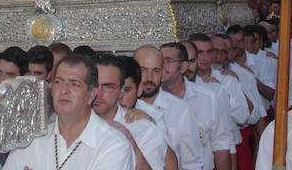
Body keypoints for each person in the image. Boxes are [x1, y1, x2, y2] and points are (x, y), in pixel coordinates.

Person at [3, 54, 134, 169]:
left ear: (91, 94)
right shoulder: (31, 138)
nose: (64, 90)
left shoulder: (113, 145)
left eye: (74, 84)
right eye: (58, 82)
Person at [163, 42, 233, 170]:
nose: (161, 66)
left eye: (168, 60)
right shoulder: (148, 101)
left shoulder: (207, 97)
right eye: (159, 61)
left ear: (183, 66)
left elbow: (221, 144)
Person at [93, 54, 167, 170]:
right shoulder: (72, 125)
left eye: (108, 86)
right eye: (95, 85)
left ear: (121, 90)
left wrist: (132, 146)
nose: (99, 93)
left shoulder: (143, 130)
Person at [133, 45, 201, 170]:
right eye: (143, 70)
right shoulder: (121, 105)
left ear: (163, 74)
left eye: (156, 71)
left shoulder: (181, 110)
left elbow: (192, 163)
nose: (149, 78)